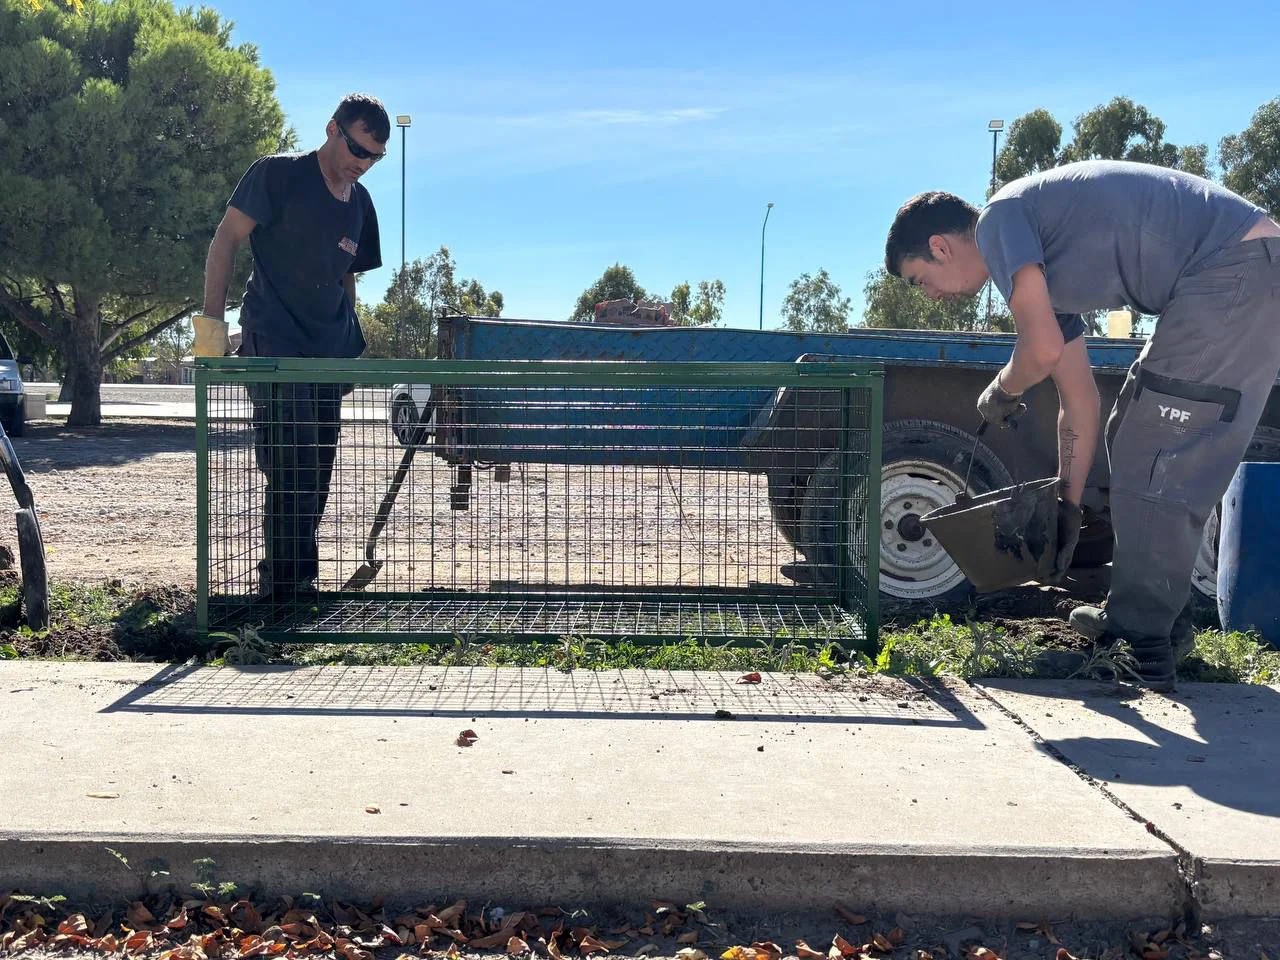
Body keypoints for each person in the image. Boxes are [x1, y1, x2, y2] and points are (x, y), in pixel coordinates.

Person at [884, 159, 1280, 691]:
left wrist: (1003, 389)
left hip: (1234, 267)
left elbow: (1039, 351)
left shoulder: (999, 221)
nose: (930, 294)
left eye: (920, 280)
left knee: (1154, 451)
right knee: (1131, 432)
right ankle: (1162, 626)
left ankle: (1139, 644)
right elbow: (1080, 401)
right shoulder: (1040, 270)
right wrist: (1066, 509)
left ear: (939, 246)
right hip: (1235, 271)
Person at [193, 93, 388, 598]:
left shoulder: (361, 205)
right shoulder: (277, 175)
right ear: (332, 129)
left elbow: (348, 278)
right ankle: (280, 589)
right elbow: (225, 240)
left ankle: (300, 582)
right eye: (358, 150)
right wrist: (211, 325)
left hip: (328, 352)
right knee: (291, 460)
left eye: (375, 158)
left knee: (317, 468)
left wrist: (349, 341)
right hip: (274, 341)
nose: (362, 165)